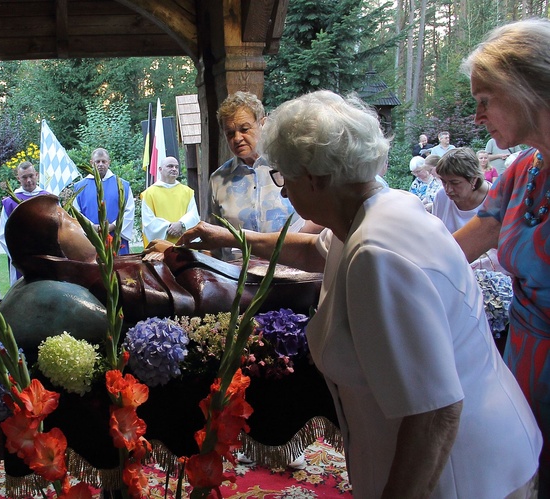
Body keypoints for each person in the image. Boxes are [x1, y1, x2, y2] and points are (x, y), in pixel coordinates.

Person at [179, 90, 541, 497]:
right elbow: (311, 251)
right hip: (491, 456)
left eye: (284, 177)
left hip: (463, 478)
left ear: (314, 177)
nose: (283, 192)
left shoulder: (376, 255)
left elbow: (435, 413)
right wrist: (228, 235)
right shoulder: (384, 208)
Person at [456, 18, 550, 495]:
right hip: (522, 366)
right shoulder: (522, 171)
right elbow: (455, 252)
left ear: (527, 89)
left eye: (484, 100)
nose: (478, 117)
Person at [209, 91, 298, 259]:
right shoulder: (218, 180)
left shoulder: (288, 166)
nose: (237, 138)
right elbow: (214, 242)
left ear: (262, 124)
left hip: (288, 272)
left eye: (244, 129)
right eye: (230, 133)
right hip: (237, 279)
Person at [72, 148, 135, 255]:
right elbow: (76, 213)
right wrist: (91, 227)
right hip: (90, 237)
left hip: (115, 237)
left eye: (104, 161)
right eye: (97, 161)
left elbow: (129, 210)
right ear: (92, 163)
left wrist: (113, 226)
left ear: (109, 163)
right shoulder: (79, 187)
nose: (101, 164)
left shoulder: (123, 185)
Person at [0, 161, 49, 284]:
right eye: (24, 177)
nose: (29, 180)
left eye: (31, 176)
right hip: (21, 259)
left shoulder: (48, 199)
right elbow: (2, 234)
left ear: (37, 175)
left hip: (46, 257)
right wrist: (16, 257)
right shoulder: (10, 203)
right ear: (18, 178)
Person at [140, 156, 200, 247]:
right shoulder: (149, 193)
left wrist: (181, 224)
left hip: (184, 244)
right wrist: (169, 227)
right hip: (160, 247)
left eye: (176, 167)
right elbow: (148, 222)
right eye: (170, 166)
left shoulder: (187, 192)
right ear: (160, 169)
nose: (174, 169)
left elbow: (193, 215)